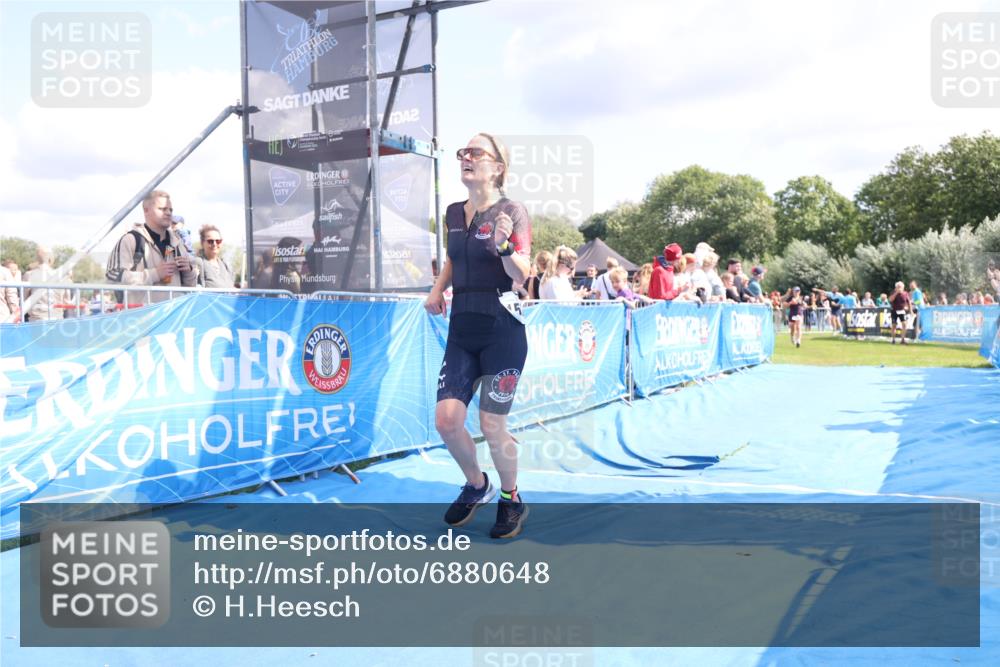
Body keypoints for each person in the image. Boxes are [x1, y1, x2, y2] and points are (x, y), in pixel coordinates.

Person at [424, 133, 531, 539]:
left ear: (498, 167)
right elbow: (454, 257)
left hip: (502, 329)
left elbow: (522, 276)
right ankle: (477, 485)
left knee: (491, 424)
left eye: (476, 153)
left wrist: (504, 247)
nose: (466, 158)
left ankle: (511, 498)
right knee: (447, 420)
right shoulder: (453, 212)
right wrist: (437, 289)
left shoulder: (511, 210)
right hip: (462, 328)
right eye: (463, 153)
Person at [105, 190, 196, 304]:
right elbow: (112, 279)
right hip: (142, 319)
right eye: (162, 209)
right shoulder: (130, 240)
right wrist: (154, 274)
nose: (168, 213)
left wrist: (189, 271)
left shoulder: (177, 243)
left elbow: (190, 287)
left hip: (173, 318)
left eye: (170, 209)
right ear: (146, 210)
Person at [23, 246, 69, 321]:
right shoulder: (61, 276)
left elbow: (24, 300)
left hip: (37, 319)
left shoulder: (29, 275)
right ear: (51, 258)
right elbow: (66, 300)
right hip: (57, 318)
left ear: (37, 259)